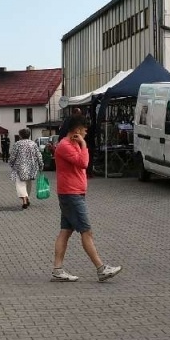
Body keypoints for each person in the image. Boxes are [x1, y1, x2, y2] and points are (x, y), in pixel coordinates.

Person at [50, 120, 121, 283]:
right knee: (86, 231)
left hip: (73, 193)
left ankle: (57, 269)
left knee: (65, 231)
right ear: (76, 130)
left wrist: (80, 144)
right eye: (84, 130)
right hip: (71, 194)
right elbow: (84, 163)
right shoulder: (66, 146)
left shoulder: (71, 144)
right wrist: (83, 144)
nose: (86, 133)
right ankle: (101, 269)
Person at [8, 128, 42, 209]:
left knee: (20, 184)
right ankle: (27, 197)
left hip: (20, 167)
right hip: (31, 167)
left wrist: (11, 163)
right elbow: (38, 155)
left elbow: (13, 156)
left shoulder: (17, 144)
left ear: (20, 135)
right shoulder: (33, 144)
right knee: (28, 183)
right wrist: (41, 164)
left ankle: (24, 200)